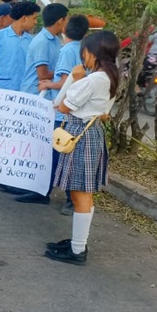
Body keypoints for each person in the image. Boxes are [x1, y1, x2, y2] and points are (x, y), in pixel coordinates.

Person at [46, 31, 119, 265]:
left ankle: (77, 250)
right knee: (83, 193)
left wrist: (74, 79)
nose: (83, 57)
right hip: (91, 133)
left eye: (85, 52)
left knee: (80, 194)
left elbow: (62, 106)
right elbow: (105, 114)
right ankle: (79, 242)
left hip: (80, 136)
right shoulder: (111, 76)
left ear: (95, 53)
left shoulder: (93, 79)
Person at [12, 3, 70, 205]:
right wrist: (66, 73)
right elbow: (43, 74)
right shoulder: (42, 42)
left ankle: (37, 188)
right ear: (61, 20)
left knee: (43, 146)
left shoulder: (54, 40)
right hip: (35, 98)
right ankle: (31, 186)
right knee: (35, 145)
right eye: (67, 19)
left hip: (47, 99)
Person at [42, 15, 90, 216]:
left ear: (64, 29)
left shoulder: (67, 50)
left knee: (59, 155)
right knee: (68, 157)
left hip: (63, 112)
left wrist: (47, 84)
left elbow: (64, 81)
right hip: (76, 112)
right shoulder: (83, 50)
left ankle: (65, 198)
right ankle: (67, 198)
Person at [0, 1, 40, 90]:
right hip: (1, 89)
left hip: (24, 90)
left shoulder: (31, 41)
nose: (36, 22)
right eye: (34, 18)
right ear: (24, 18)